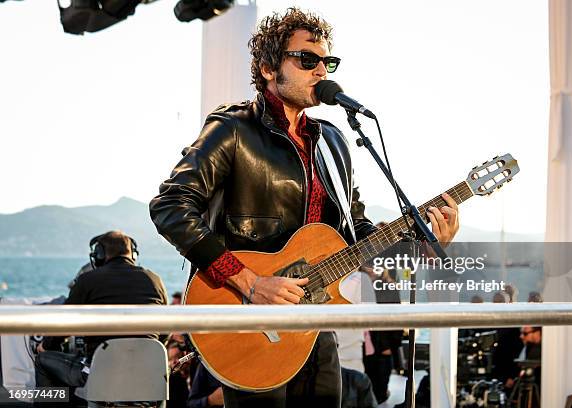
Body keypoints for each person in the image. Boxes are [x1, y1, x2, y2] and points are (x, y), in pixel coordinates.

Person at [149, 7, 459, 407]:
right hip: (248, 320)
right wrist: (250, 282)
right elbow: (170, 205)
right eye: (307, 60)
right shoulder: (233, 128)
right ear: (267, 68)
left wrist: (422, 242)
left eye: (326, 62)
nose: (321, 71)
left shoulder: (333, 142)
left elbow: (356, 233)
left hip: (316, 328)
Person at [35, 231, 169, 392]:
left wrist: (47, 345)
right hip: (147, 373)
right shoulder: (155, 280)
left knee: (43, 360)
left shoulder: (87, 280)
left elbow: (64, 324)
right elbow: (165, 330)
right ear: (133, 254)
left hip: (101, 373)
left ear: (99, 254)